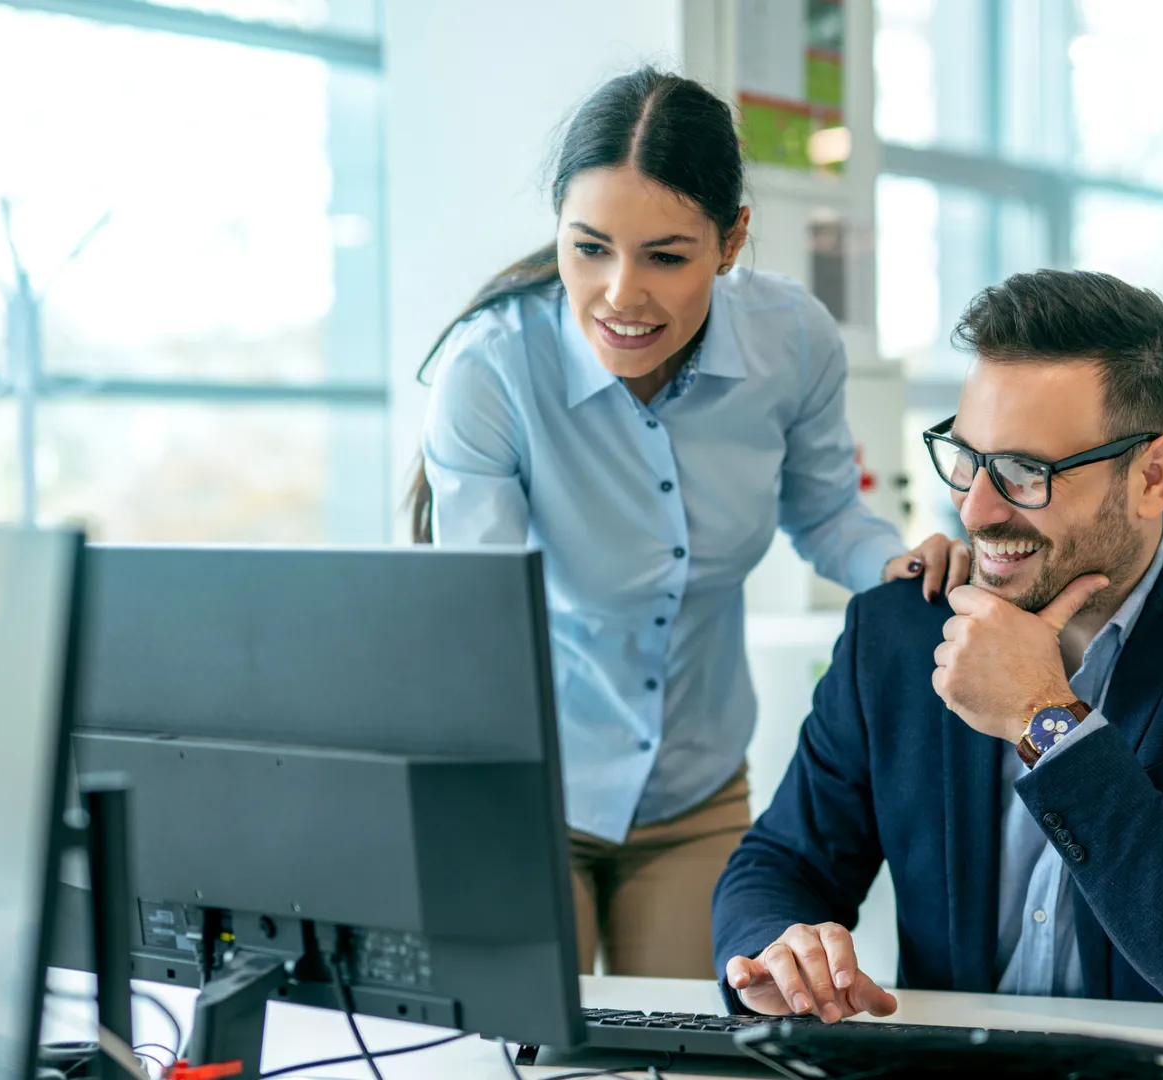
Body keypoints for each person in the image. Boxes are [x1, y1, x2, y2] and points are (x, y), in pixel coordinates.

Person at [412, 67, 966, 979]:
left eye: (666, 257)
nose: (621, 295)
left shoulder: (792, 339)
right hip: (526, 783)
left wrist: (911, 569)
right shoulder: (495, 369)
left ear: (732, 239)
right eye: (589, 248)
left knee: (694, 1053)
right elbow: (483, 618)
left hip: (697, 791)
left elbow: (828, 515)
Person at [711, 270, 1163, 1033]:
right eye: (966, 458)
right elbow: (778, 866)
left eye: (1027, 472)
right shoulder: (901, 628)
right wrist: (779, 950)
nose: (975, 509)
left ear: (1152, 476)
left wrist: (1042, 716)